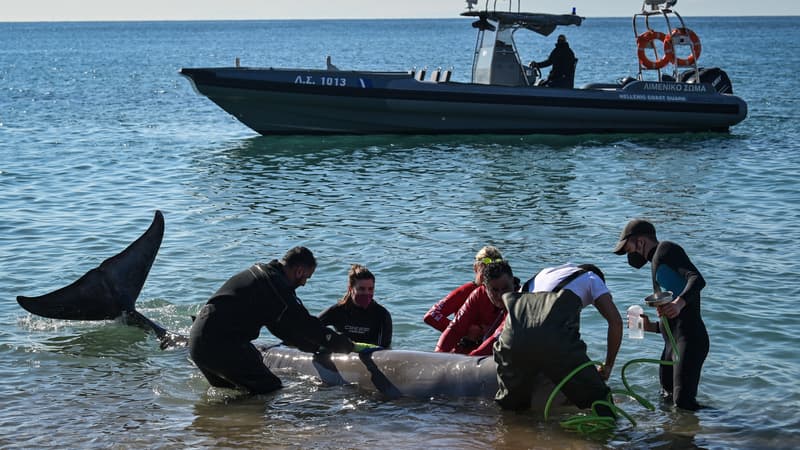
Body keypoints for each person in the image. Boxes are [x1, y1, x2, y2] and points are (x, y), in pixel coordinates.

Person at [188, 246, 358, 395]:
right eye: (306, 277)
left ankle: (221, 427)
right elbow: (305, 325)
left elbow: (283, 330)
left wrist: (312, 347)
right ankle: (247, 427)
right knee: (271, 388)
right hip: (221, 344)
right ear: (299, 271)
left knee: (235, 393)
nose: (304, 283)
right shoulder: (276, 289)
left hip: (198, 342)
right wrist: (338, 343)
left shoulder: (261, 274)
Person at [492, 264, 617, 416]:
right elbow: (615, 322)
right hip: (551, 338)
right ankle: (615, 435)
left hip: (511, 339)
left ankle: (508, 436)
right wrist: (608, 366)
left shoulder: (542, 274)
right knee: (601, 400)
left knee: (512, 406)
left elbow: (523, 324)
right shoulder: (592, 277)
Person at [613, 219, 708, 411]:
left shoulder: (666, 249)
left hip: (690, 340)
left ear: (640, 241)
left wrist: (678, 303)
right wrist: (651, 327)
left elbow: (697, 279)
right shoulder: (656, 263)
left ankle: (729, 430)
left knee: (683, 403)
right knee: (666, 398)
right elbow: (674, 317)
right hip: (671, 344)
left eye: (628, 247)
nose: (628, 254)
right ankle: (670, 437)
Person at [423, 246, 504, 345]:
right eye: (484, 273)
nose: (488, 278)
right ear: (475, 268)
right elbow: (431, 315)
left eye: (493, 274)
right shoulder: (466, 291)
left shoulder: (503, 292)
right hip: (465, 347)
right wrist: (463, 331)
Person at [435, 260, 514, 356]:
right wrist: (438, 356)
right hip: (479, 347)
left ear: (513, 282)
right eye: (494, 290)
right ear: (485, 288)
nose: (500, 295)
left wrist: (469, 361)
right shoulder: (478, 295)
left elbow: (497, 338)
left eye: (505, 288)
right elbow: (455, 328)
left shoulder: (521, 302)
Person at [319, 264, 392, 348]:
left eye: (370, 289)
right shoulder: (337, 310)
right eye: (361, 289)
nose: (366, 293)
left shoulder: (382, 315)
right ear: (350, 289)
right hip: (343, 356)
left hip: (370, 356)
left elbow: (384, 348)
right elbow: (311, 328)